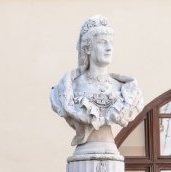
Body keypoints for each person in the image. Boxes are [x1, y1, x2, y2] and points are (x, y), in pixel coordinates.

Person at [50, 15, 143, 152]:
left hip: (110, 150)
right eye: (102, 42)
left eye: (111, 42)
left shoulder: (128, 91)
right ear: (87, 48)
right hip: (84, 153)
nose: (109, 48)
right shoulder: (67, 89)